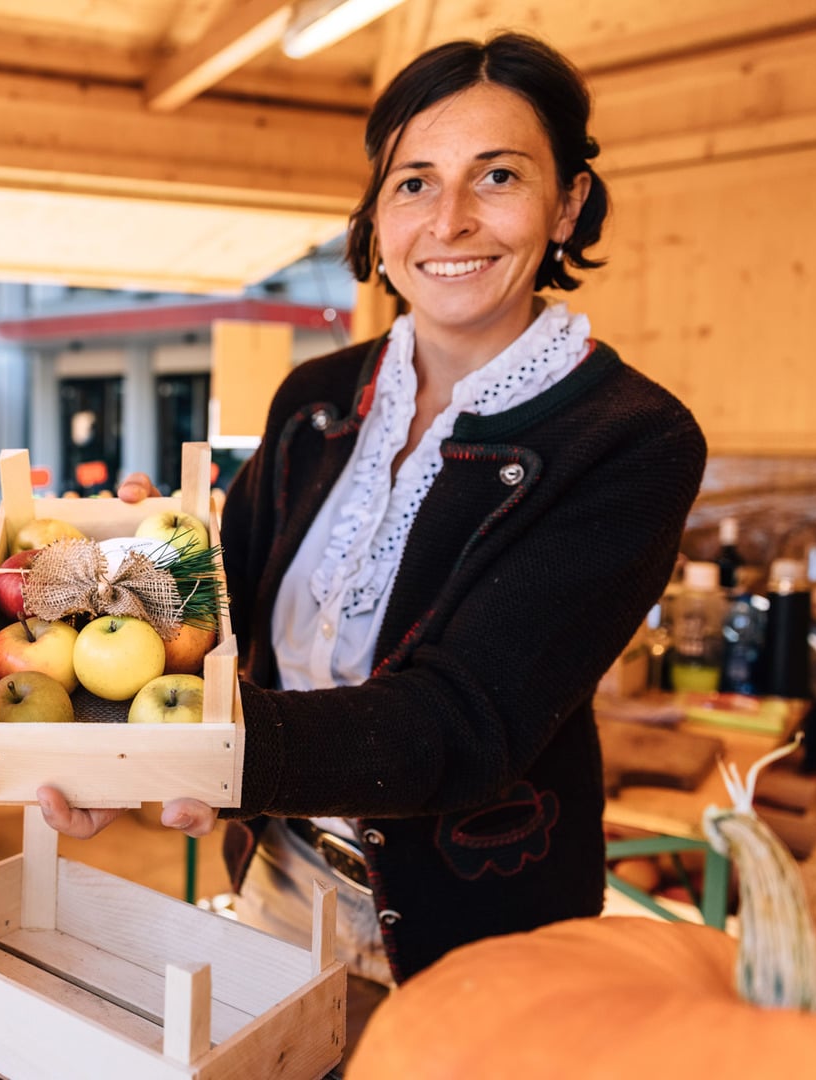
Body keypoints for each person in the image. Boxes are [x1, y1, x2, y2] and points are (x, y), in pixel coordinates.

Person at [38, 33, 708, 987]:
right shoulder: (314, 399)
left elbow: (464, 719)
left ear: (565, 207)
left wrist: (208, 755)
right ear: (377, 216)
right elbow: (220, 610)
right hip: (277, 880)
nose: (450, 220)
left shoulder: (628, 440)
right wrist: (138, 587)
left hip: (475, 929)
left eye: (499, 177)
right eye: (413, 183)